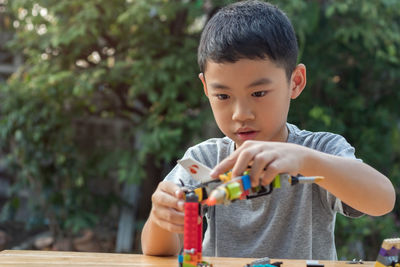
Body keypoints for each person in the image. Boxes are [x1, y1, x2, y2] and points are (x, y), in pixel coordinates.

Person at [141, 0, 395, 260]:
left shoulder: (318, 151)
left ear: (295, 82)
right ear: (206, 89)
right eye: (223, 96)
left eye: (258, 93)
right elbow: (158, 251)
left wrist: (306, 161)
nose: (241, 114)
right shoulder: (204, 160)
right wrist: (162, 216)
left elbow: (382, 200)